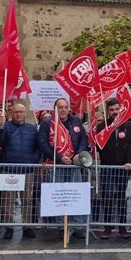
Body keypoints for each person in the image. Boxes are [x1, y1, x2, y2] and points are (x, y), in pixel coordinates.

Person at [38, 98, 89, 238]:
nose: (63, 109)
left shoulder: (76, 121)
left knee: (76, 195)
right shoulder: (47, 123)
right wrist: (59, 158)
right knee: (59, 197)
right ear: (55, 108)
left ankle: (78, 226)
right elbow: (43, 144)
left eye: (66, 107)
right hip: (56, 164)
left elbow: (83, 139)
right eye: (60, 107)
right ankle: (62, 227)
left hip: (74, 164)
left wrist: (78, 155)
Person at [0, 103, 40, 239]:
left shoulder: (32, 129)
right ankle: (9, 226)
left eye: (21, 112)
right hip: (9, 168)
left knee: (27, 199)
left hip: (27, 169)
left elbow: (38, 147)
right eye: (15, 112)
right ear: (10, 114)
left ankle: (27, 226)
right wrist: (1, 127)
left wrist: (34, 160)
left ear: (25, 114)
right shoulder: (5, 127)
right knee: (8, 199)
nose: (18, 114)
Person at [95, 98, 131, 239]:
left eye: (116, 109)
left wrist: (130, 162)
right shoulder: (102, 126)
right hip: (107, 166)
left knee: (121, 196)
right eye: (111, 110)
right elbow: (98, 147)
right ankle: (107, 227)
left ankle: (122, 227)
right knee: (106, 195)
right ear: (107, 111)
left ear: (121, 109)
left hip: (123, 167)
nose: (114, 112)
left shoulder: (128, 126)